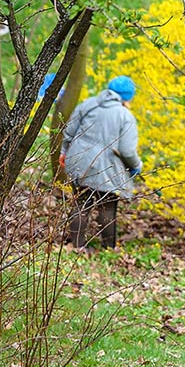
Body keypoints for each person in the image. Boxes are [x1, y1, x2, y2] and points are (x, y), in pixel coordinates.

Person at [60, 75, 143, 250]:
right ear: (127, 97)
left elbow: (69, 133)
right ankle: (108, 249)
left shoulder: (88, 104)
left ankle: (76, 247)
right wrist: (136, 166)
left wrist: (64, 153)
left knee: (81, 203)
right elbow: (127, 150)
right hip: (107, 169)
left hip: (79, 161)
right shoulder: (125, 116)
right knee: (107, 207)